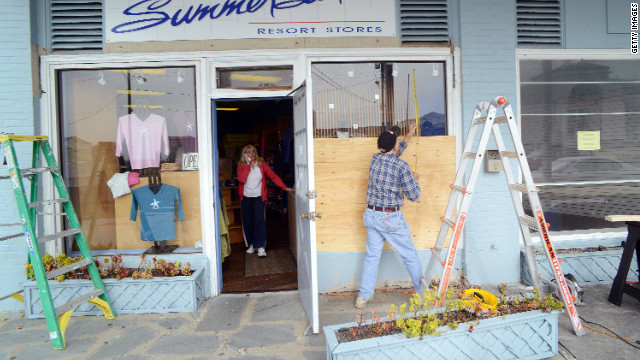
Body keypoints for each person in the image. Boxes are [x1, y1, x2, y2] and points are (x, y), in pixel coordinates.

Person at [356, 123, 422, 308]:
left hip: (371, 215)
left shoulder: (375, 159)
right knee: (409, 255)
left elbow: (395, 150)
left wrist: (409, 134)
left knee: (372, 257)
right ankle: (422, 294)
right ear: (394, 146)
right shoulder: (402, 166)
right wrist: (415, 180)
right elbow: (414, 196)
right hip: (390, 219)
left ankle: (363, 297)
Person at [237, 144, 293, 257]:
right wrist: (248, 165)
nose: (251, 154)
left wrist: (284, 187)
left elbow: (273, 176)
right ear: (244, 154)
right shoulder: (241, 165)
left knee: (259, 221)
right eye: (248, 152)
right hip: (246, 197)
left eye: (253, 152)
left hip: (259, 197)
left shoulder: (261, 164)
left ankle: (261, 246)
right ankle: (251, 244)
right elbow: (242, 179)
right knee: (248, 222)